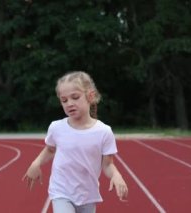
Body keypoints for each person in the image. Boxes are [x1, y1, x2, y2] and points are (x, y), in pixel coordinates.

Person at [23, 71, 128, 213]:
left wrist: (117, 176)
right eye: (64, 100)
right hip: (61, 191)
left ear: (90, 96)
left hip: (88, 195)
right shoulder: (56, 127)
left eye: (75, 97)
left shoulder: (104, 132)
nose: (69, 104)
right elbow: (50, 149)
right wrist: (36, 163)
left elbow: (108, 164)